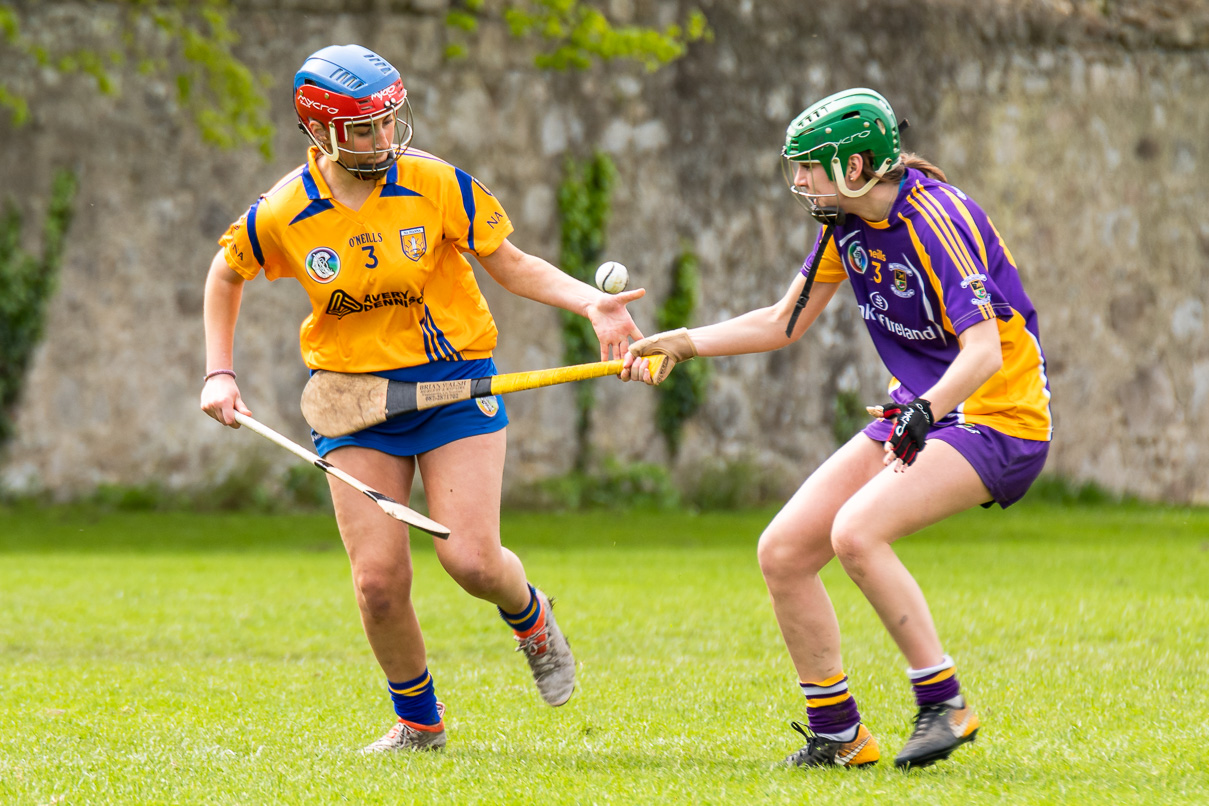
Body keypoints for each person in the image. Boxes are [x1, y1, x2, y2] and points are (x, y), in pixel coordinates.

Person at [200, 44, 645, 752]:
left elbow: (513, 263)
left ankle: (529, 616)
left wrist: (593, 305)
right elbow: (226, 275)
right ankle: (418, 724)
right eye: (365, 129)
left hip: (454, 385)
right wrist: (218, 371)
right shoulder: (285, 211)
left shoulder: (435, 184)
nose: (384, 139)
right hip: (353, 402)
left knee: (470, 560)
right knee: (377, 582)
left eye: (388, 122)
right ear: (320, 133)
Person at [624, 88, 1051, 770]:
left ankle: (944, 703)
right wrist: (681, 341)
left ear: (856, 167)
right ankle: (838, 735)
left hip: (996, 417)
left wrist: (920, 411)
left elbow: (983, 353)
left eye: (809, 167)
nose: (796, 181)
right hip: (920, 412)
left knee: (855, 531)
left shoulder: (935, 218)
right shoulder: (843, 224)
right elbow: (780, 322)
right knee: (784, 550)